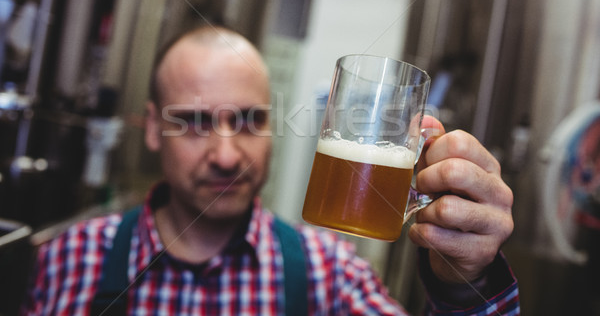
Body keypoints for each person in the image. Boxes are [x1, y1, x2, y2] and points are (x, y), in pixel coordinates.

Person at [20, 25, 519, 315]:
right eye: (194, 123)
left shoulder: (332, 277)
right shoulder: (69, 261)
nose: (226, 154)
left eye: (248, 121)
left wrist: (465, 281)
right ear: (152, 129)